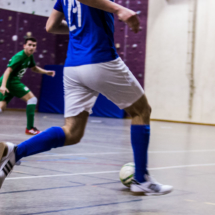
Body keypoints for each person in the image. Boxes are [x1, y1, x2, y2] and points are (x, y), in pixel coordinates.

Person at [0, 0, 173, 195]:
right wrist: (119, 8)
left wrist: (80, 29)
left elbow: (50, 26)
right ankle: (141, 179)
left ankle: (15, 152)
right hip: (100, 60)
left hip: (73, 67)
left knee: (72, 132)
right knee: (141, 111)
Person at [0, 37, 55, 135]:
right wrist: (3, 86)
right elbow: (8, 71)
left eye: (34, 45)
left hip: (9, 83)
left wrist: (46, 72)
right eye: (29, 45)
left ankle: (29, 128)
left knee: (2, 106)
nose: (31, 47)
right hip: (10, 82)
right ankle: (29, 128)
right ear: (24, 46)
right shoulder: (20, 56)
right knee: (32, 99)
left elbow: (34, 68)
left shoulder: (30, 56)